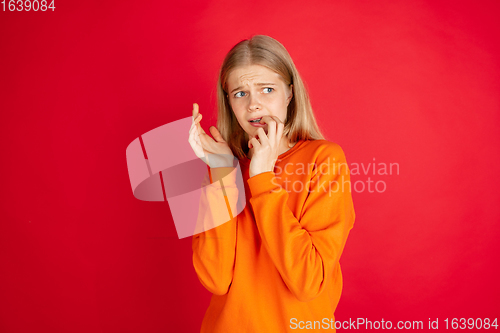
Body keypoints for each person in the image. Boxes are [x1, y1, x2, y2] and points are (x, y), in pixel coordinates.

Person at [188, 35, 356, 332]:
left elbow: (307, 281)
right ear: (228, 101)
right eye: (240, 93)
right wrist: (222, 172)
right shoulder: (223, 167)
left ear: (290, 93)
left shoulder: (324, 158)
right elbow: (215, 278)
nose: (254, 105)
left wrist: (263, 179)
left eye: (267, 89)